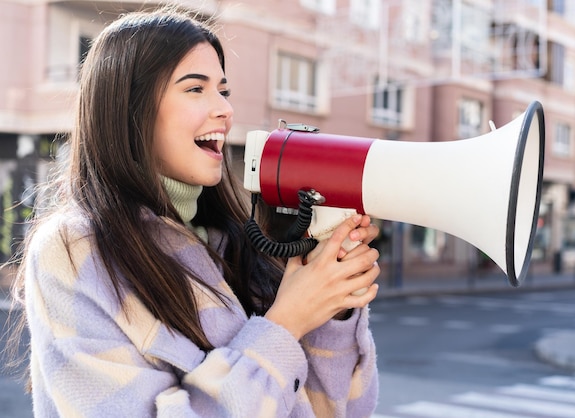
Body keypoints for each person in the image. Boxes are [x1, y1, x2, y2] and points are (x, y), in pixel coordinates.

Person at [8, 6, 381, 417]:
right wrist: (286, 323)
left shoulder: (230, 241)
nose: (224, 109)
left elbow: (339, 410)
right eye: (195, 89)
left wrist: (331, 302)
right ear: (130, 109)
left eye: (223, 90)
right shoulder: (76, 250)